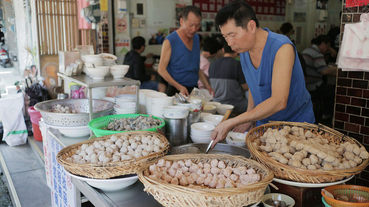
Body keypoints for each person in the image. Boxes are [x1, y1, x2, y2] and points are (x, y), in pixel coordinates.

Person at [210, 1, 315, 147]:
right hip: (265, 126)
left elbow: (279, 101)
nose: (229, 43)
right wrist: (249, 117)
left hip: (295, 127)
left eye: (232, 35)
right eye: (225, 37)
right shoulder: (244, 51)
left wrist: (235, 120)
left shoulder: (281, 48)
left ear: (251, 26)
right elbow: (255, 86)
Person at [158, 6, 212, 96]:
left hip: (194, 89)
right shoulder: (170, 41)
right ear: (182, 21)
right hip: (176, 90)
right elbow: (161, 70)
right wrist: (179, 87)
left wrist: (207, 85)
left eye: (197, 25)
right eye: (191, 25)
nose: (194, 29)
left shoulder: (196, 38)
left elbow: (196, 67)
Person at [301, 35, 337, 124]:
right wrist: (337, 69)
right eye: (327, 46)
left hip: (305, 85)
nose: (328, 48)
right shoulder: (317, 54)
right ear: (323, 44)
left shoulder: (306, 50)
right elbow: (324, 71)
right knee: (335, 92)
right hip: (313, 86)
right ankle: (326, 116)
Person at [209, 40, 248, 115]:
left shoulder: (212, 64)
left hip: (217, 103)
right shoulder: (238, 65)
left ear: (223, 50)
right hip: (235, 105)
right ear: (237, 51)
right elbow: (245, 87)